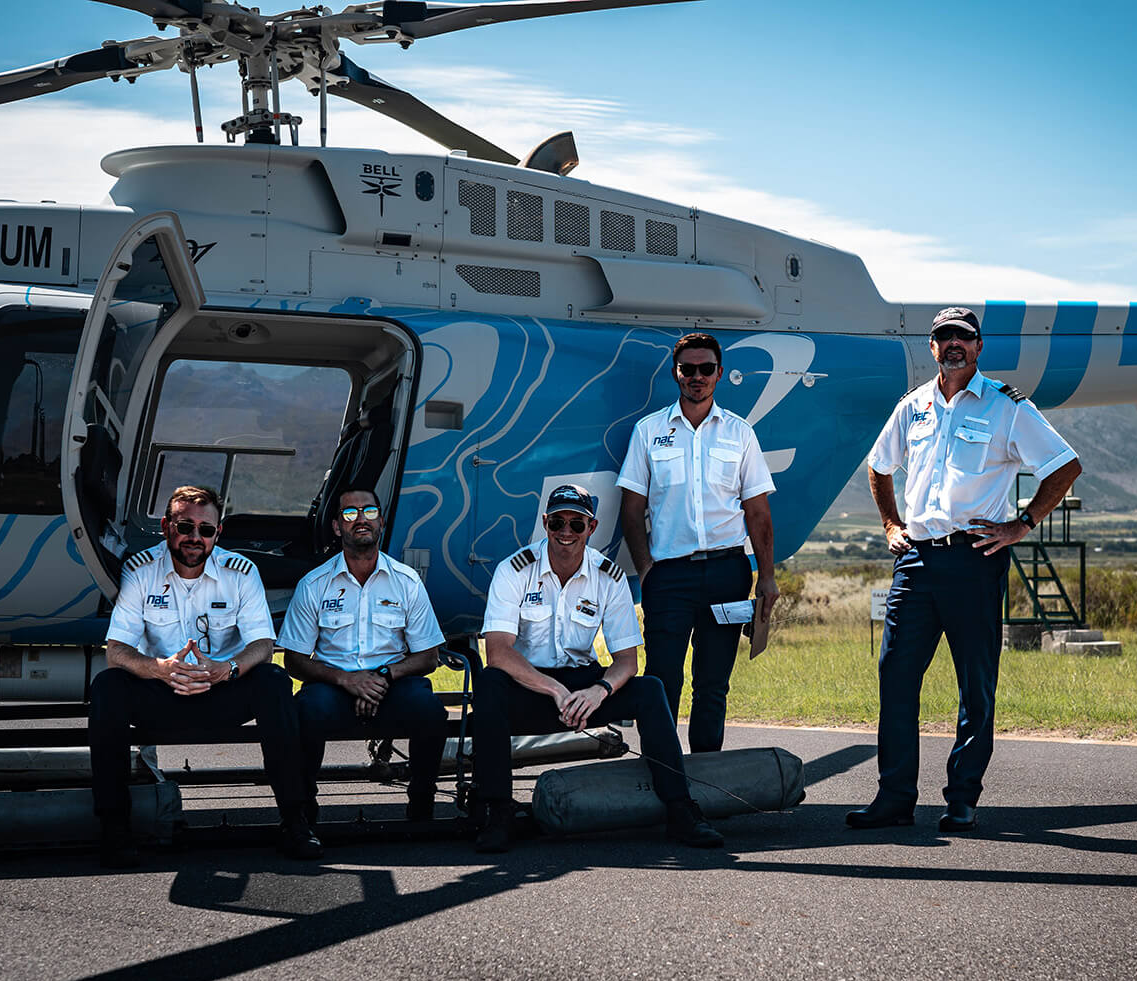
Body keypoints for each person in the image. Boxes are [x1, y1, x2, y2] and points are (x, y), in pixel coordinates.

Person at [848, 307, 1082, 834]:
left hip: (975, 560)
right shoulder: (912, 407)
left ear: (978, 347)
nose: (953, 343)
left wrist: (1022, 524)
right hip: (916, 560)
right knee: (896, 678)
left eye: (963, 336)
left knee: (975, 684)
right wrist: (891, 524)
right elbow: (879, 466)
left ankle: (962, 799)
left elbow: (1065, 464)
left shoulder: (1007, 406)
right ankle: (894, 797)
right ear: (932, 348)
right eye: (943, 336)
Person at [473, 484, 724, 853]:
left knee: (651, 689)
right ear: (545, 523)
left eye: (577, 524)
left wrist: (599, 691)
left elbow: (626, 660)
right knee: (490, 681)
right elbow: (498, 652)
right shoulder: (514, 570)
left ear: (591, 528)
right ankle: (497, 812)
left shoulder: (610, 576)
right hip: (531, 685)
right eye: (558, 521)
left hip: (583, 688)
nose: (566, 532)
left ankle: (680, 809)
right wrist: (554, 690)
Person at [90, 485, 318, 867]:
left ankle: (295, 820)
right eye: (185, 526)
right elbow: (117, 651)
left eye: (205, 529)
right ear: (166, 527)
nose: (195, 537)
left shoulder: (241, 572)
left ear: (218, 533)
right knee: (107, 688)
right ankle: (114, 828)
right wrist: (158, 670)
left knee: (274, 682)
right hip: (162, 692)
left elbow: (263, 644)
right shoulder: (140, 570)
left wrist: (226, 670)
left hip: (220, 691)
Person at [617, 332, 780, 753]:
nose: (697, 376)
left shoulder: (740, 434)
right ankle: (663, 776)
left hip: (727, 574)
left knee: (713, 683)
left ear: (719, 374)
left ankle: (707, 779)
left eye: (706, 369)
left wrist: (767, 577)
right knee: (661, 679)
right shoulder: (648, 432)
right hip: (668, 576)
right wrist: (647, 570)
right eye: (688, 369)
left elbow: (758, 514)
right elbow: (631, 512)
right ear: (676, 373)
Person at [279, 487, 448, 834]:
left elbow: (428, 657)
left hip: (393, 683)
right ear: (337, 526)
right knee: (306, 710)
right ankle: (302, 810)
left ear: (381, 522)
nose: (361, 520)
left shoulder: (407, 581)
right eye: (350, 513)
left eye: (369, 512)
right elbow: (294, 660)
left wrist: (384, 675)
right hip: (333, 685)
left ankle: (422, 804)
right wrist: (347, 680)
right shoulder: (314, 585)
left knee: (430, 710)